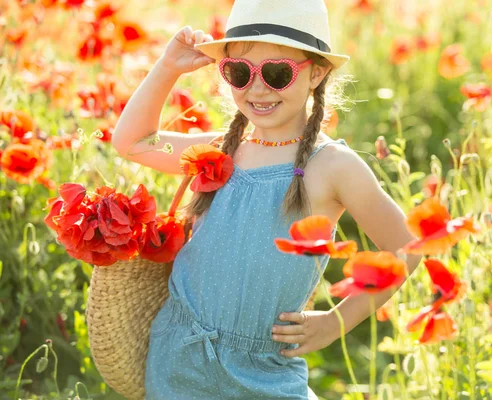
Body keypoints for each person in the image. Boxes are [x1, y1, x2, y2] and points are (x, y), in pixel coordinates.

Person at [111, 0, 421, 398]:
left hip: (265, 374)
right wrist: (167, 66)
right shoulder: (221, 148)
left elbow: (406, 246)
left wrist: (336, 322)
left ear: (317, 72)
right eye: (239, 72)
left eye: (277, 73)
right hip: (178, 360)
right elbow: (132, 141)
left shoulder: (332, 167)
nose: (257, 88)